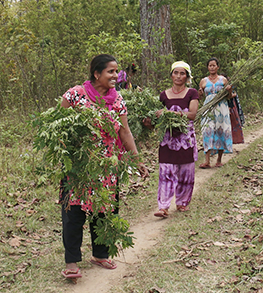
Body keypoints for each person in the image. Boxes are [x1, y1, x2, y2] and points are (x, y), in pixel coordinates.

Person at [59, 54, 147, 280]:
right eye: (111, 71)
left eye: (116, 71)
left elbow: (124, 132)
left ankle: (100, 254)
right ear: (96, 73)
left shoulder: (117, 100)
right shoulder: (75, 95)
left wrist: (137, 160)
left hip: (107, 166)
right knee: (74, 213)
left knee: (104, 212)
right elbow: (59, 123)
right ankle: (71, 262)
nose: (116, 76)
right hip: (79, 166)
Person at [143, 61, 199, 218]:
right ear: (171, 75)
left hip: (185, 139)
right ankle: (163, 207)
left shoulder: (192, 93)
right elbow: (156, 117)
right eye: (176, 73)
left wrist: (173, 114)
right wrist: (149, 121)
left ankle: (182, 202)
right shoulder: (163, 95)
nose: (178, 76)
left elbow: (193, 114)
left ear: (187, 77)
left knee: (186, 172)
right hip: (167, 139)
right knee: (166, 171)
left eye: (182, 73)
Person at [198, 57, 233, 169]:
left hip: (221, 107)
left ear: (218, 67)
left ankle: (219, 160)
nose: (212, 67)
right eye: (210, 65)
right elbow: (200, 97)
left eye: (214, 65)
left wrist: (229, 91)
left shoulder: (223, 80)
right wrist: (199, 93)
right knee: (207, 130)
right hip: (208, 108)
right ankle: (207, 161)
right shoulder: (203, 81)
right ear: (207, 67)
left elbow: (229, 97)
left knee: (221, 130)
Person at [223, 74, 244, 144]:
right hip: (224, 106)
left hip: (231, 106)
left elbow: (234, 94)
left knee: (234, 123)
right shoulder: (220, 87)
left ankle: (236, 139)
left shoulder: (232, 86)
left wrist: (228, 94)